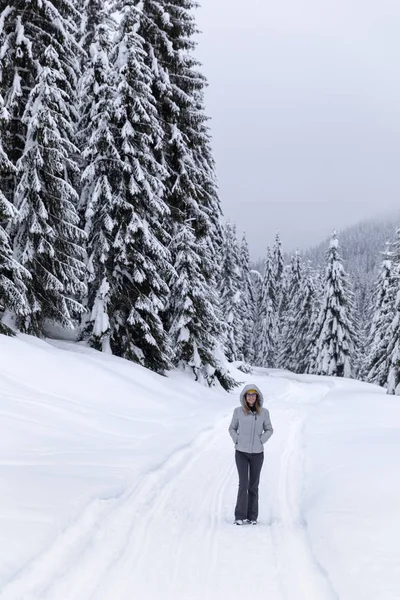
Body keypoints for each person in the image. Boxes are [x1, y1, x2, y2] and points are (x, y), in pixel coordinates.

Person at [228, 383, 273, 525]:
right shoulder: (238, 411)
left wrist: (261, 440)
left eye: (253, 395)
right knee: (243, 484)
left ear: (257, 397)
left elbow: (269, 429)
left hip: (257, 454)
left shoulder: (264, 412)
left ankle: (252, 517)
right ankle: (239, 516)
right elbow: (232, 428)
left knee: (253, 485)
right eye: (249, 395)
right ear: (245, 397)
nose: (251, 397)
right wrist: (237, 439)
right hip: (241, 452)